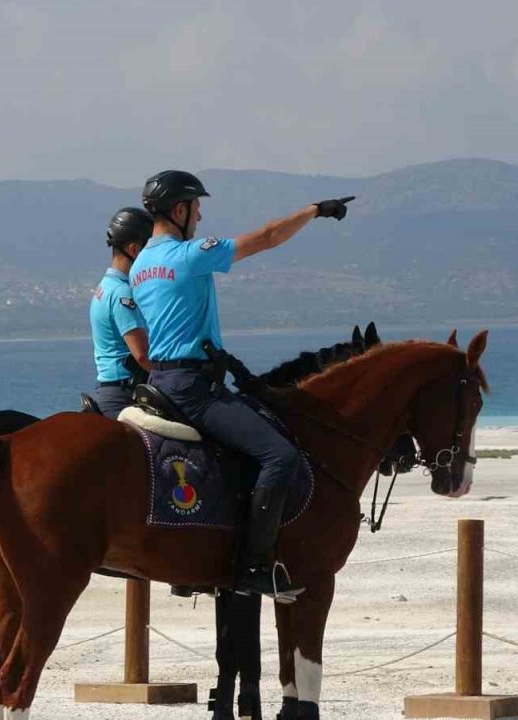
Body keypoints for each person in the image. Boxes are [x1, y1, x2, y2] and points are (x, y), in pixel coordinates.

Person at [129, 170, 354, 601]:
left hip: (162, 379)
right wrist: (314, 210)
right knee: (280, 455)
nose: (200, 216)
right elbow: (267, 237)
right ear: (180, 210)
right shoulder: (189, 255)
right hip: (193, 386)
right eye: (197, 207)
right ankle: (254, 565)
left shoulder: (139, 267)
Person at [87, 207, 154, 419]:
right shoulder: (122, 293)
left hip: (110, 390)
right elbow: (142, 355)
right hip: (125, 396)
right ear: (134, 249)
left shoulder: (105, 287)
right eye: (150, 252)